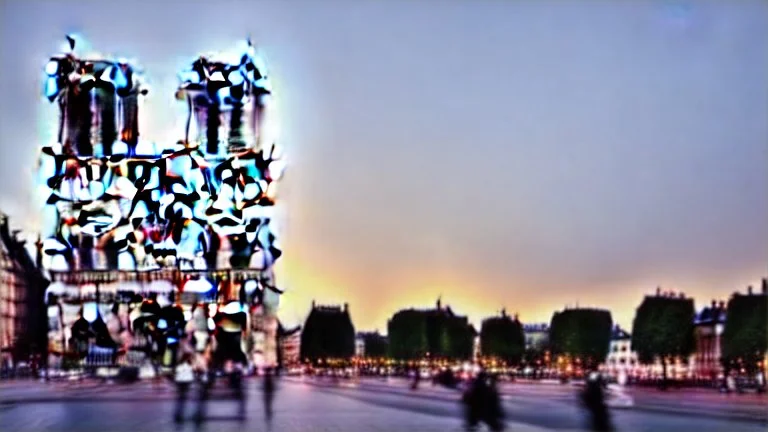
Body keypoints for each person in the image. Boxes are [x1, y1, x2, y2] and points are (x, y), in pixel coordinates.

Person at [174, 352, 195, 423]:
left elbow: (177, 372)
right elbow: (190, 372)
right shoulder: (186, 365)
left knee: (181, 398)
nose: (190, 358)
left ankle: (179, 415)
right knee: (182, 398)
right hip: (184, 382)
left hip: (181, 382)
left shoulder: (181, 364)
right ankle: (179, 415)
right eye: (189, 357)